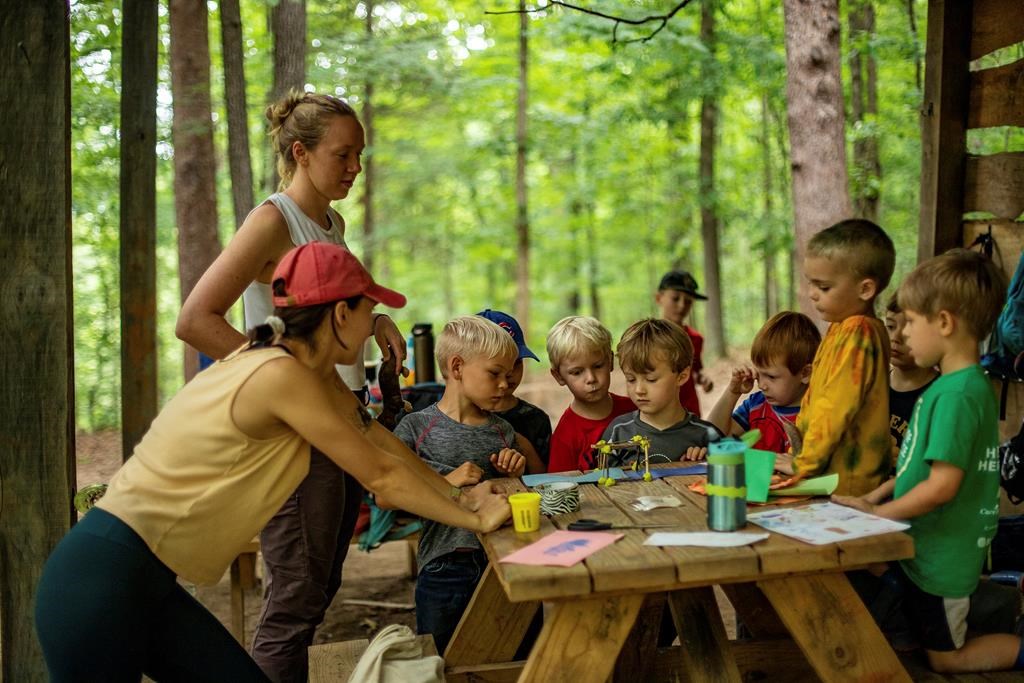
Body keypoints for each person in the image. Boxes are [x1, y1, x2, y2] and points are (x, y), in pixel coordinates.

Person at [35, 243, 511, 681]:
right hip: (101, 581)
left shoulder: (302, 370)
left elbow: (380, 443)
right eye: (370, 310)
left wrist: (460, 494)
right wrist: (474, 517)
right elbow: (381, 476)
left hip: (142, 582)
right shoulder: (280, 375)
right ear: (341, 314)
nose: (374, 324)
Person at [174, 92, 405, 681]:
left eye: (360, 154)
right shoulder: (273, 219)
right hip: (297, 432)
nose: (356, 167)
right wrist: (282, 379)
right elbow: (195, 319)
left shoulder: (331, 220)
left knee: (320, 585)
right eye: (343, 154)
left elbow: (335, 305)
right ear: (300, 153)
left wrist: (375, 319)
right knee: (293, 605)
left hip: (341, 417)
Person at [833, 249, 1023, 674]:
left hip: (941, 559)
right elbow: (914, 468)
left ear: (944, 322)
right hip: (924, 547)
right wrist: (871, 499)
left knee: (944, 658)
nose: (902, 334)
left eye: (911, 322)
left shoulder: (957, 395)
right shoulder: (951, 387)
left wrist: (881, 515)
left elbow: (941, 487)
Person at [393, 315, 527, 653]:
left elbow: (508, 494)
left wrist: (512, 471)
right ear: (457, 367)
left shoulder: (502, 431)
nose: (504, 384)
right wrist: (447, 481)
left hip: (502, 563)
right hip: (443, 566)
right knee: (440, 659)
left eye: (508, 374)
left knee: (512, 650)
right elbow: (385, 498)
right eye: (494, 373)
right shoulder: (414, 428)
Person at [779, 219, 895, 497]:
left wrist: (803, 464)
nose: (812, 294)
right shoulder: (842, 328)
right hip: (827, 474)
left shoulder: (858, 333)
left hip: (845, 483)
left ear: (865, 289)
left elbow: (835, 407)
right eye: (811, 284)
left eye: (824, 287)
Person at [602, 318, 722, 464]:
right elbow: (599, 483)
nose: (639, 390)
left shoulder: (707, 436)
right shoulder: (618, 432)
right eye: (631, 379)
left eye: (651, 379)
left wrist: (705, 463)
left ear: (682, 376)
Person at [707, 311, 820, 453]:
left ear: (805, 373)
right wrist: (732, 392)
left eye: (771, 377)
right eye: (759, 374)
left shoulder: (819, 412)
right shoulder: (756, 406)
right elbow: (712, 436)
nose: (761, 385)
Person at [546, 316, 635, 473]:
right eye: (577, 372)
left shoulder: (634, 410)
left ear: (610, 361)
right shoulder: (565, 436)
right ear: (559, 376)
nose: (591, 379)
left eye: (598, 366)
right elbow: (560, 485)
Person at [477, 309, 552, 473]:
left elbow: (547, 478)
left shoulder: (536, 419)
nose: (509, 372)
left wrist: (524, 447)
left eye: (516, 362)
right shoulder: (460, 417)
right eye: (496, 368)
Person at [655, 270, 714, 417]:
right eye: (675, 298)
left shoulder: (695, 338)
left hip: (688, 411)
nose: (682, 305)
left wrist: (703, 379)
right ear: (659, 298)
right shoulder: (647, 337)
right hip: (656, 409)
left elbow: (695, 370)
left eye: (688, 301)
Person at [885, 292, 938, 451]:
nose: (896, 337)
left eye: (909, 328)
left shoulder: (939, 396)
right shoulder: (874, 384)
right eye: (890, 326)